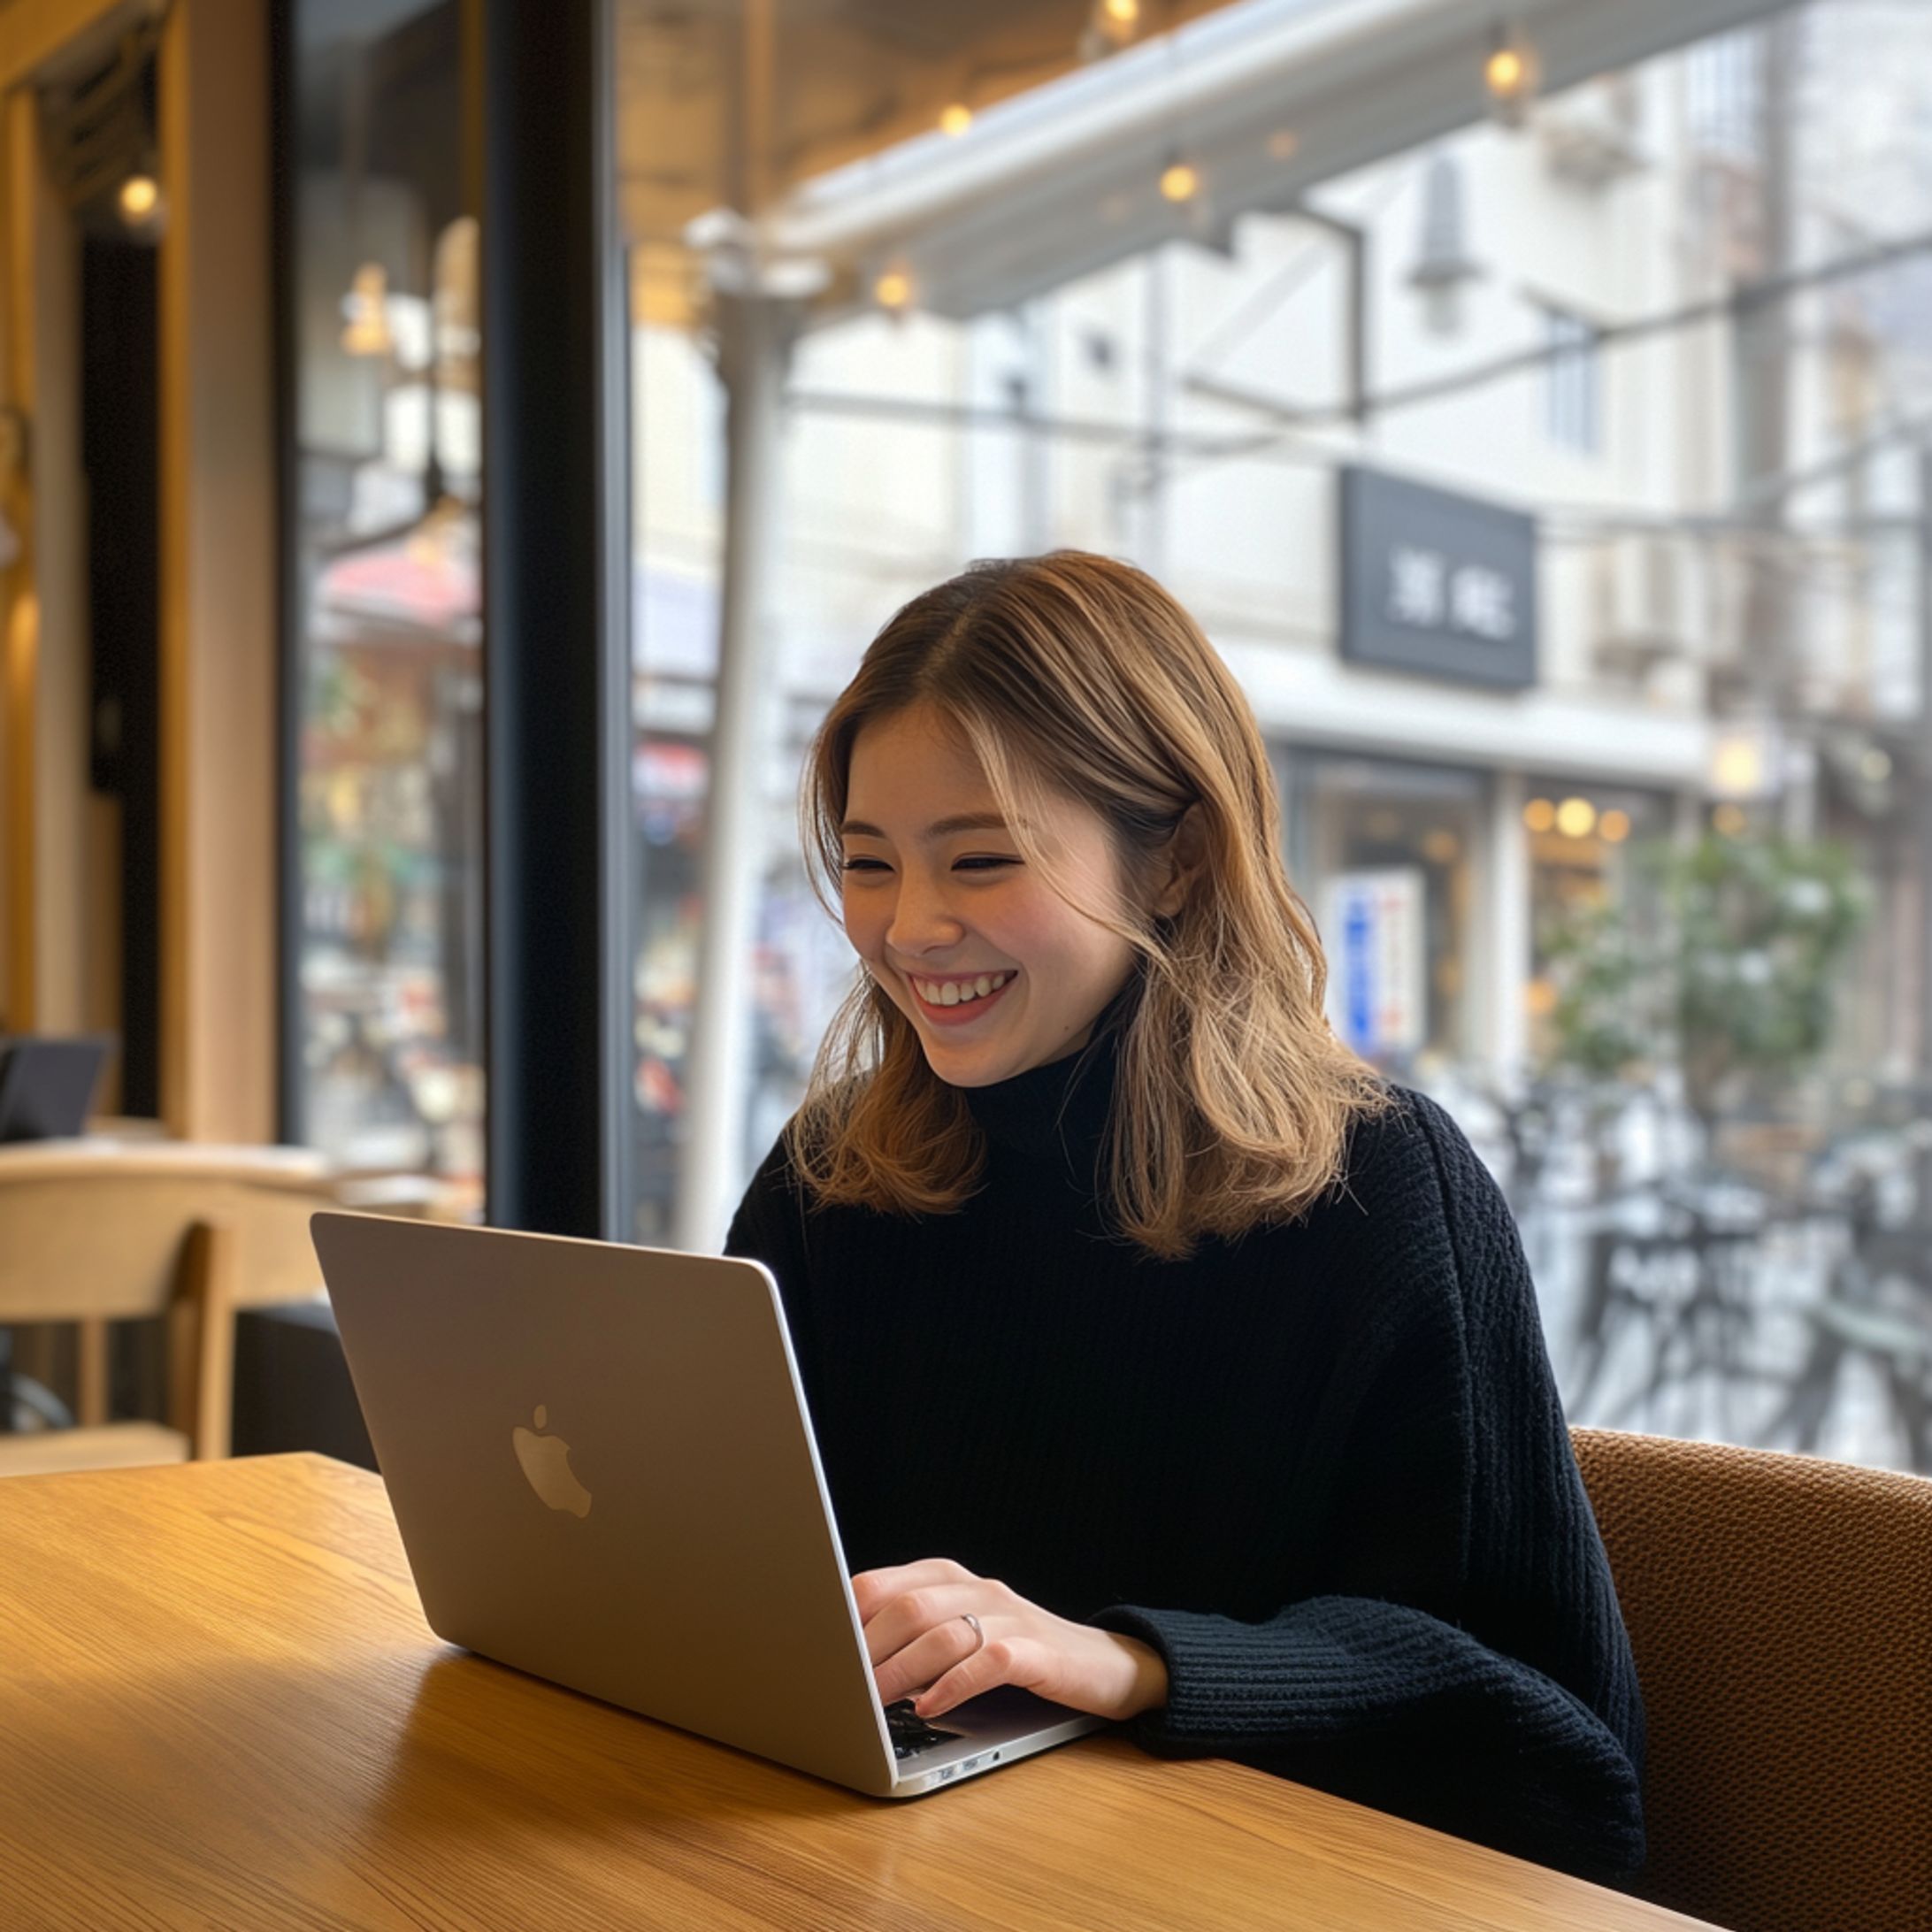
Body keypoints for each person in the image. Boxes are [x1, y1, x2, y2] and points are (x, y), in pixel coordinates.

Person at [724, 551, 1644, 1880]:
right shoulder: (838, 1169)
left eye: (980, 860)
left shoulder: (1375, 1188)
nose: (910, 927)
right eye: (869, 864)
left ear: (1179, 860)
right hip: (874, 1864)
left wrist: (1131, 1662)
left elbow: (1543, 1725)